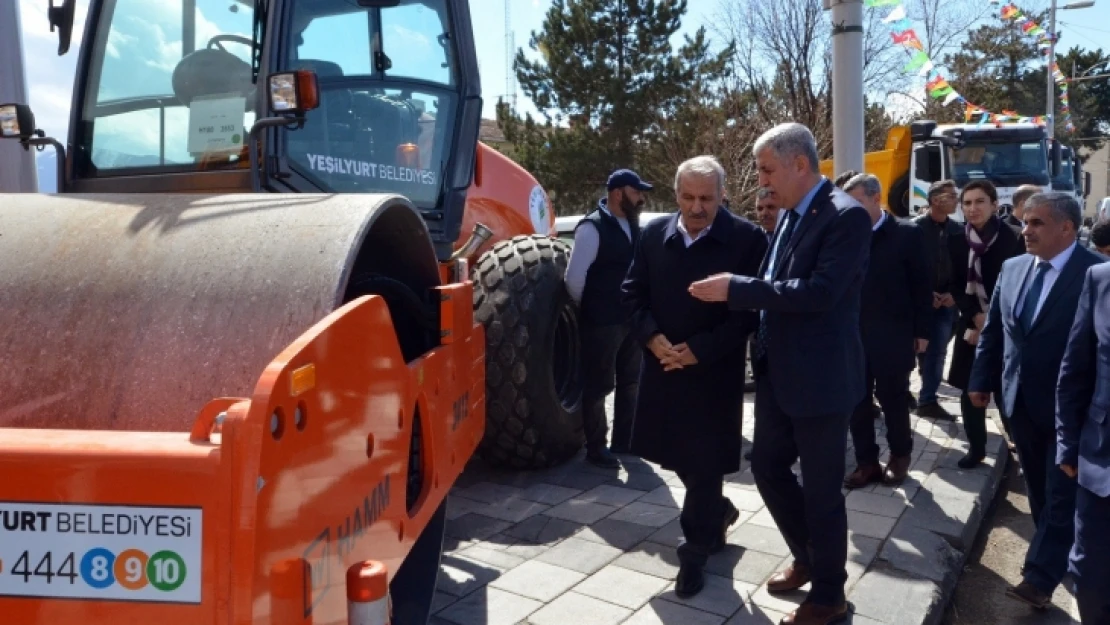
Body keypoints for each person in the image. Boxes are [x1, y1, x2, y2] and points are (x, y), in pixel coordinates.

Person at [689, 123, 872, 625]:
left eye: (768, 169)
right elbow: (777, 280)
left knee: (821, 490)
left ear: (799, 163)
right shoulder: (792, 215)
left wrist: (738, 288)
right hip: (778, 372)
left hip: (821, 379)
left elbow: (819, 293)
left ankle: (830, 595)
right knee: (767, 468)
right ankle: (809, 556)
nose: (762, 180)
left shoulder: (845, 216)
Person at [621, 155, 768, 598]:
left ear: (722, 196)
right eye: (688, 197)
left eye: (706, 198)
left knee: (704, 464)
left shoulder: (746, 239)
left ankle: (694, 553)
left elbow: (750, 313)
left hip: (712, 375)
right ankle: (718, 512)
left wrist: (700, 351)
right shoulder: (652, 235)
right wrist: (651, 338)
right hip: (662, 368)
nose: (697, 207)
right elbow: (631, 293)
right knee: (678, 459)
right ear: (676, 194)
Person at [968, 192, 1103, 609]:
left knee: (1062, 494)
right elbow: (995, 332)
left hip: (1073, 413)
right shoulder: (1012, 268)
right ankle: (1056, 560)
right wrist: (980, 378)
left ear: (1067, 228)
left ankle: (1040, 578)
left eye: (1037, 223)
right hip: (1019, 403)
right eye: (1025, 222)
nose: (1025, 231)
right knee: (1041, 493)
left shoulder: (1095, 273)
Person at [841, 174, 932, 489]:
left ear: (875, 198)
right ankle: (867, 463)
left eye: (856, 201)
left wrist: (922, 331)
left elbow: (922, 286)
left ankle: (900, 456)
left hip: (893, 334)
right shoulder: (844, 234)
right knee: (857, 401)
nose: (849, 209)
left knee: (893, 399)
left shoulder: (907, 234)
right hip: (851, 334)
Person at [564, 168, 652, 468]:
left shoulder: (633, 225)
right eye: (636, 191)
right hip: (602, 322)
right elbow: (575, 279)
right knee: (599, 385)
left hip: (632, 319)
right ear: (618, 193)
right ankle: (596, 447)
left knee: (631, 382)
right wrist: (592, 308)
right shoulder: (592, 227)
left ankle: (624, 441)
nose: (640, 197)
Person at [947, 180, 1025, 468]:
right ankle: (977, 448)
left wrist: (991, 321)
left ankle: (1020, 443)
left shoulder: (1014, 238)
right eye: (966, 203)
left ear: (994, 205)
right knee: (971, 390)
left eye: (979, 202)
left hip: (1007, 327)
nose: (972, 208)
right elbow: (954, 284)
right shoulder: (956, 239)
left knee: (1008, 392)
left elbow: (1020, 286)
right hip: (972, 326)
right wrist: (975, 317)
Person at [1056, 261, 1110, 625]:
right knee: (1089, 572)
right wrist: (1068, 442)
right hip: (1101, 460)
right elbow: (1075, 368)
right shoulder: (1100, 278)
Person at [912, 180, 968, 421]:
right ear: (935, 200)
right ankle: (906, 394)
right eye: (951, 196)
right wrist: (925, 295)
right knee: (913, 351)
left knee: (937, 352)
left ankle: (928, 400)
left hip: (947, 304)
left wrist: (953, 295)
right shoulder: (914, 229)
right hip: (917, 303)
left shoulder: (958, 230)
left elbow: (965, 268)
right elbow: (907, 267)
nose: (956, 200)